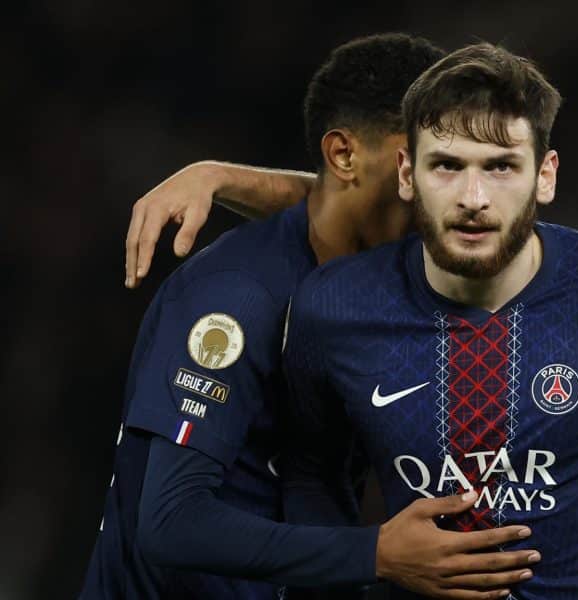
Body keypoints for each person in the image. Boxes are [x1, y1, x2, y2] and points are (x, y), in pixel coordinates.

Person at [278, 43, 578, 599]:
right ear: (406, 173)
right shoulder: (333, 309)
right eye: (447, 165)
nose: (473, 197)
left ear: (545, 175)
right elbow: (313, 483)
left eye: (500, 167)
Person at [84, 34, 540, 600]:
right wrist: (374, 554)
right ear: (346, 155)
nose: (447, 194)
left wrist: (221, 175)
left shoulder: (387, 272)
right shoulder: (235, 298)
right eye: (420, 164)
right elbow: (170, 523)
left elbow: (332, 206)